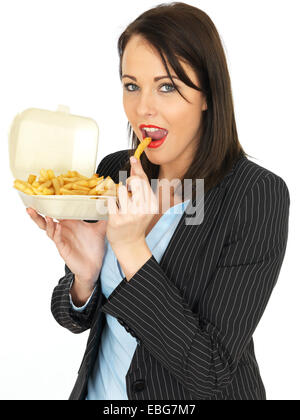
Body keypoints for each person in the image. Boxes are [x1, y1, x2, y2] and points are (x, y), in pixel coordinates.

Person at [27, 2, 290, 400]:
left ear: (208, 95)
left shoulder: (256, 196)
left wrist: (132, 249)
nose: (142, 108)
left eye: (167, 86)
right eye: (132, 85)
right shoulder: (113, 172)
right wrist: (84, 278)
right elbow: (74, 319)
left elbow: (211, 371)